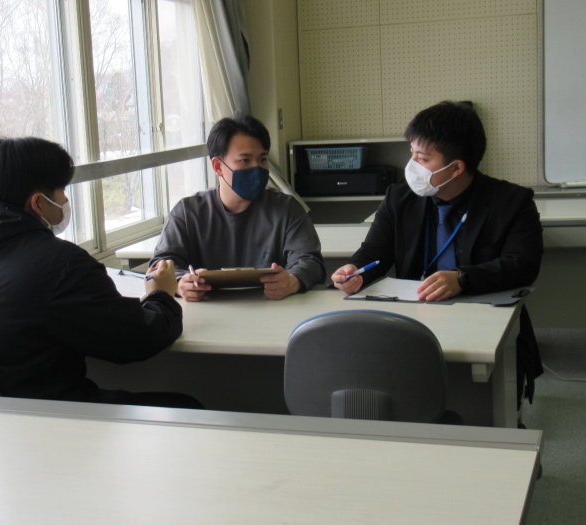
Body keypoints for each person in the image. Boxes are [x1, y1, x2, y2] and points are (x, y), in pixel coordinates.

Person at [0, 137, 201, 409]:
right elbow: (141, 339)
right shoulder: (60, 263)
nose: (65, 199)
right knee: (186, 408)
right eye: (61, 190)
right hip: (47, 416)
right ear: (38, 203)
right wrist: (161, 295)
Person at [331, 101, 543, 407]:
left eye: (422, 158)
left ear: (456, 168)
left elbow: (523, 265)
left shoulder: (511, 202)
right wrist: (355, 271)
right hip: (412, 322)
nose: (412, 165)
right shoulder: (399, 198)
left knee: (478, 406)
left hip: (481, 322)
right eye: (412, 154)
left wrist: (462, 279)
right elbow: (375, 251)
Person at [150, 114, 326, 301]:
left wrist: (292, 281)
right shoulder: (187, 213)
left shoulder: (287, 209)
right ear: (218, 166)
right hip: (207, 312)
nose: (257, 168)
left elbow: (311, 262)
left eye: (263, 159)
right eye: (245, 160)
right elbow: (160, 266)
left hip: (271, 309)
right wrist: (180, 284)